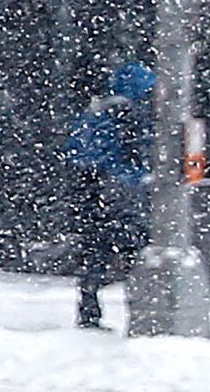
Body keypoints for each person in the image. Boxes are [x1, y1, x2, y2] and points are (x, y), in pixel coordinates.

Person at [67, 57, 156, 331]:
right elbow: (130, 156)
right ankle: (143, 310)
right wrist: (140, 179)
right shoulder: (127, 115)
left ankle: (89, 310)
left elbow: (77, 149)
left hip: (91, 190)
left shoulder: (95, 113)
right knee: (138, 253)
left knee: (95, 254)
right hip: (115, 193)